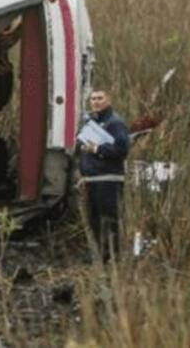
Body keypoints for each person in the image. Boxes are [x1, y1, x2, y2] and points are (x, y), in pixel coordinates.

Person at [78, 89, 130, 261]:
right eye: (93, 99)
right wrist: (83, 176)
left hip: (109, 179)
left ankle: (113, 258)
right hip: (92, 179)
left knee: (109, 219)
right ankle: (100, 256)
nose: (96, 102)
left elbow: (122, 150)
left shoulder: (115, 122)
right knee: (95, 221)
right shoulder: (91, 122)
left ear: (109, 100)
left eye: (100, 98)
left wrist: (98, 149)